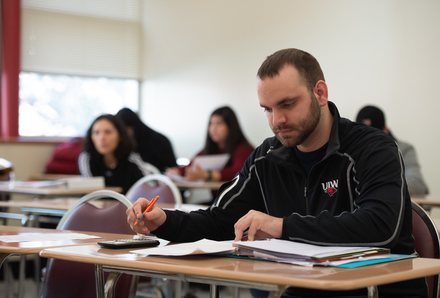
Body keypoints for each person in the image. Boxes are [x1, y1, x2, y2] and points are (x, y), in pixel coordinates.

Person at [127, 48, 428, 298]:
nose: (277, 120)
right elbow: (220, 220)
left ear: (320, 93)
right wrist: (164, 220)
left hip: (377, 291)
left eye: (287, 104)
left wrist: (282, 226)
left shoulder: (373, 148)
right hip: (305, 290)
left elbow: (380, 226)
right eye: (267, 109)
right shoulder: (266, 158)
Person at [166, 106, 254, 183]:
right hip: (218, 199)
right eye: (211, 123)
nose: (213, 128)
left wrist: (207, 174)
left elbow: (238, 172)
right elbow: (192, 166)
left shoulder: (242, 149)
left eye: (219, 123)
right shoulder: (212, 149)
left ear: (230, 126)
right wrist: (177, 171)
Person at [356, 105, 429, 197]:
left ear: (386, 130)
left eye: (374, 135)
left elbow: (417, 185)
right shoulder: (349, 153)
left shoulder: (404, 150)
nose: (369, 141)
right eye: (364, 135)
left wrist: (378, 188)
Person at [78, 114, 159, 194]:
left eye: (108, 132)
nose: (101, 138)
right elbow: (91, 193)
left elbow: (150, 185)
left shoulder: (131, 158)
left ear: (120, 136)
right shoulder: (86, 158)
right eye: (96, 132)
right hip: (96, 205)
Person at [116, 108, 177, 172]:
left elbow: (173, 169)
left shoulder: (159, 141)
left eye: (124, 130)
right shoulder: (123, 143)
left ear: (132, 127)